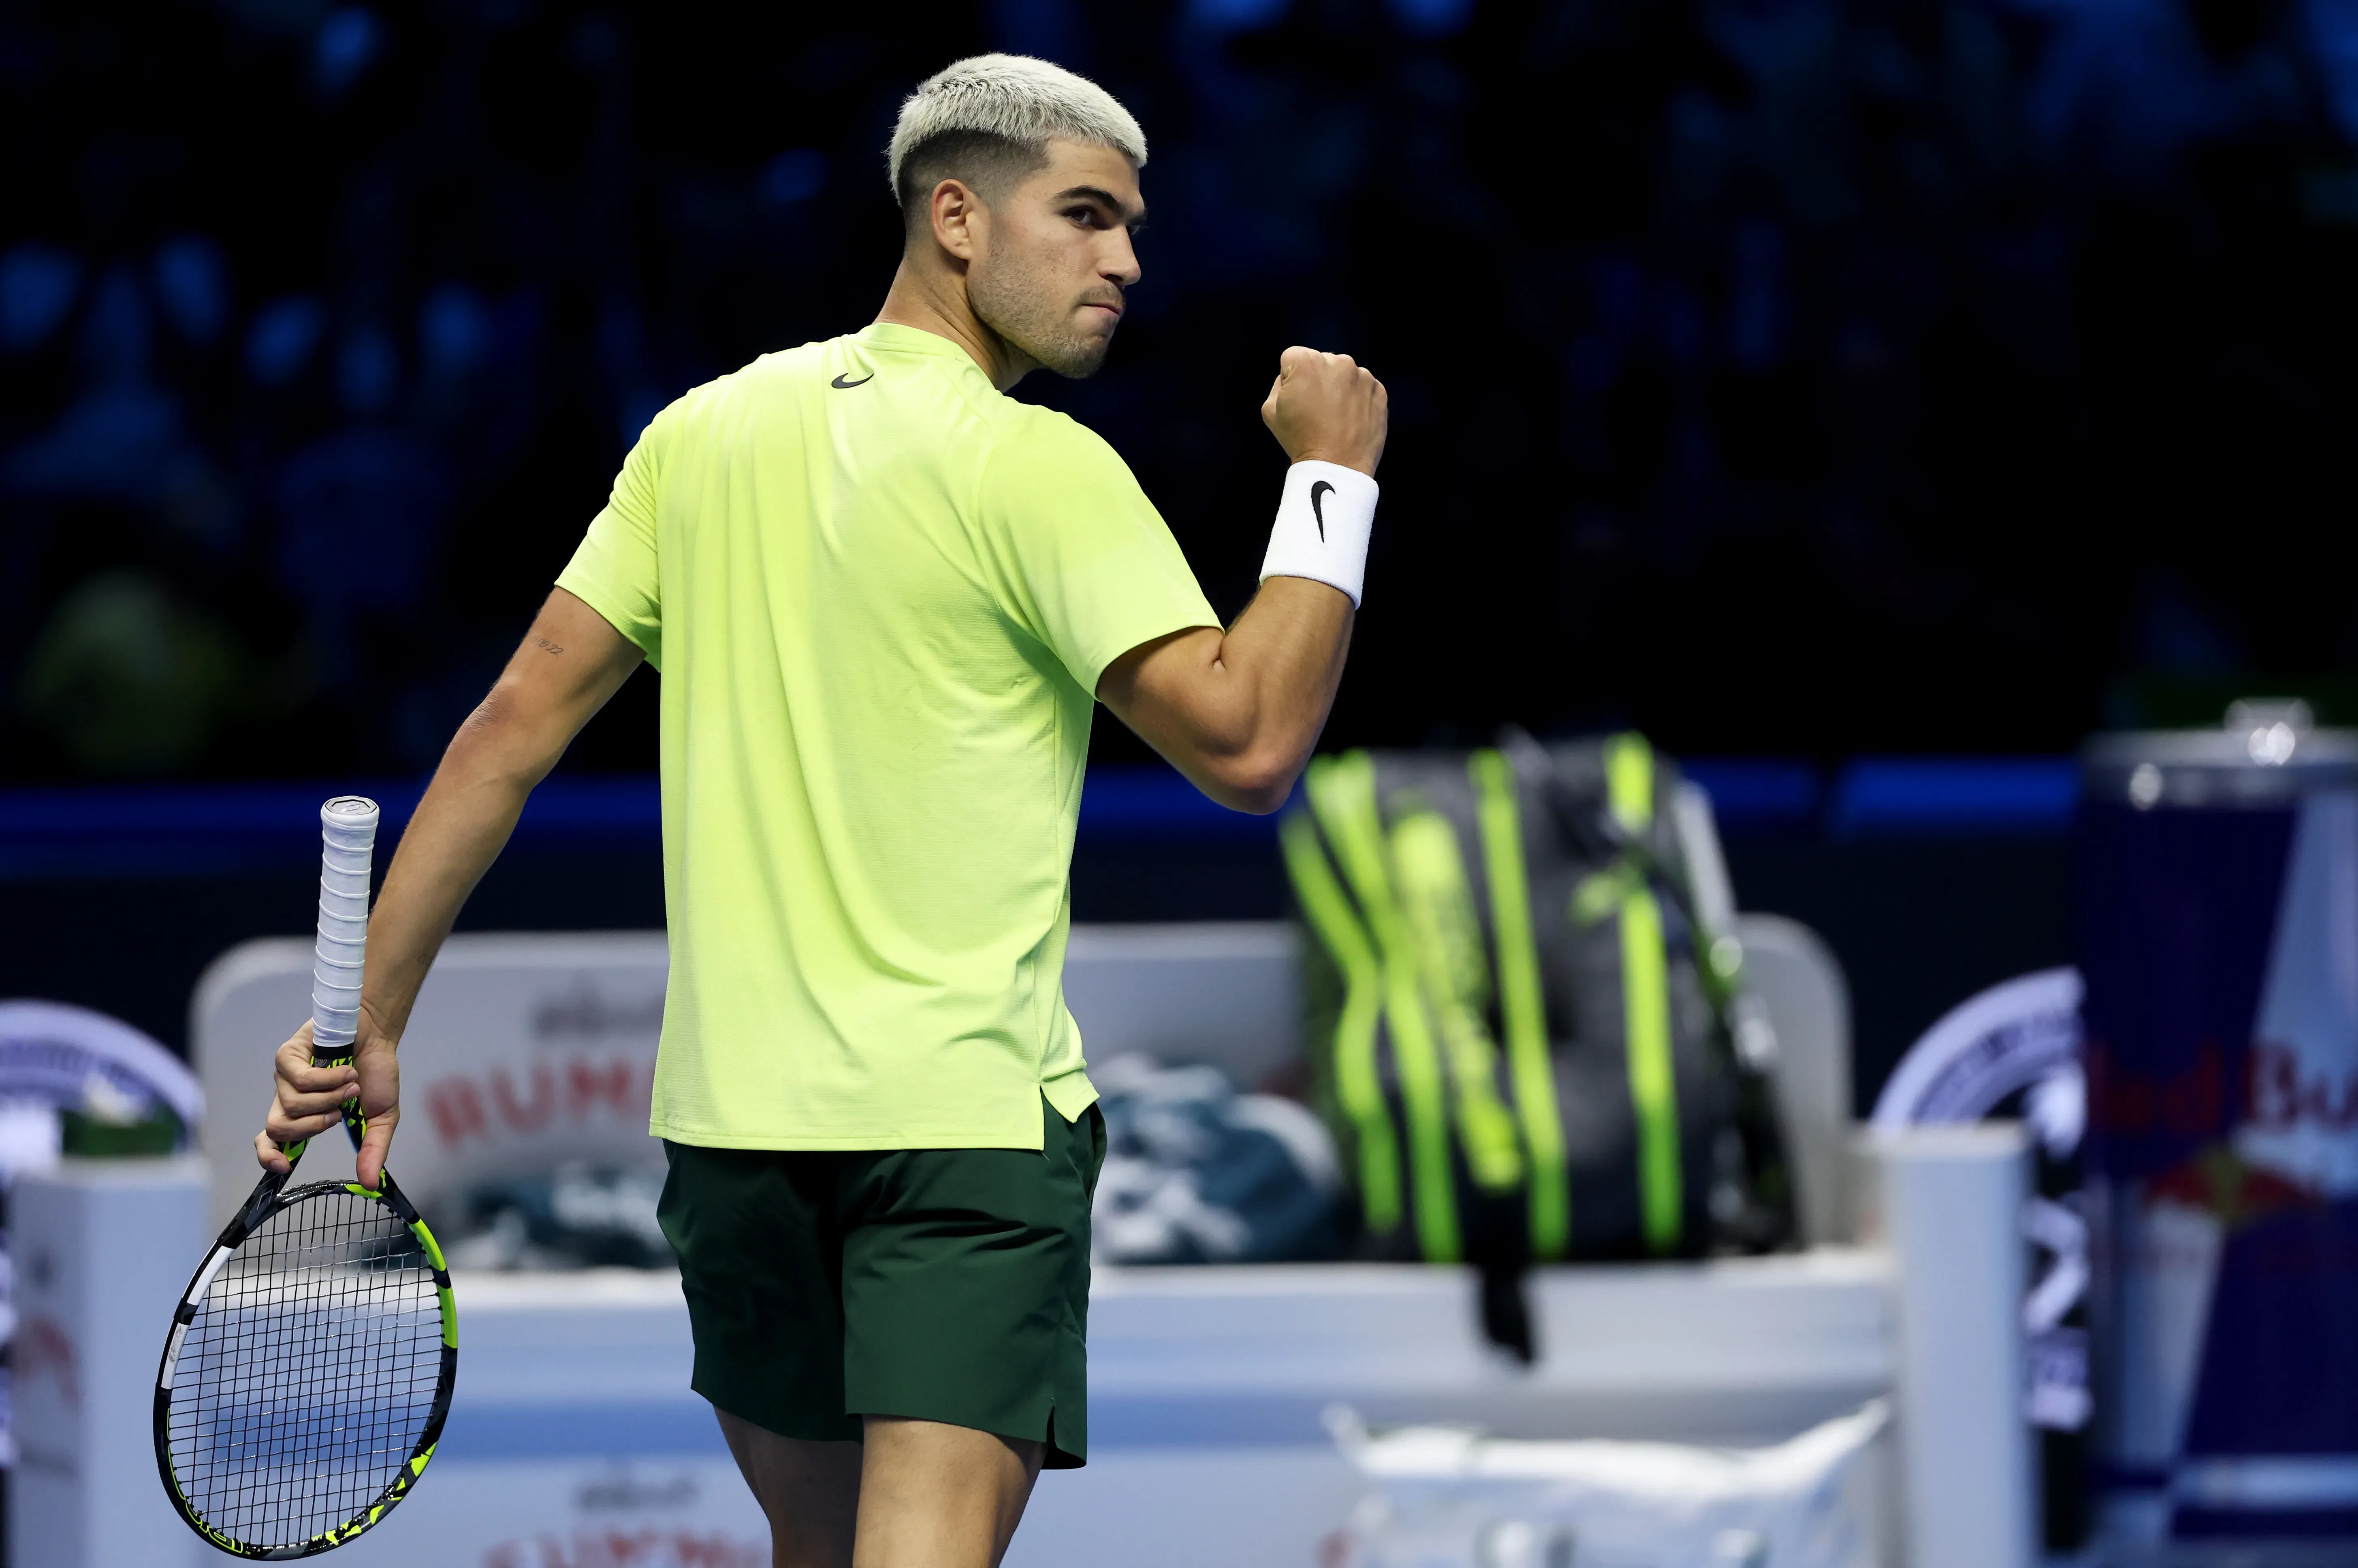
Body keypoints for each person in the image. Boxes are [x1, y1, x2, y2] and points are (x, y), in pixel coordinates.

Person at [257, 52, 1387, 1568]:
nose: (1126, 260)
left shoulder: (698, 435)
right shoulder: (1039, 466)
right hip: (961, 1147)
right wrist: (1333, 478)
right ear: (956, 217)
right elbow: (1248, 747)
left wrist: (371, 1019)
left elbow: (500, 741)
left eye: (1131, 226)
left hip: (735, 1149)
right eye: (1086, 214)